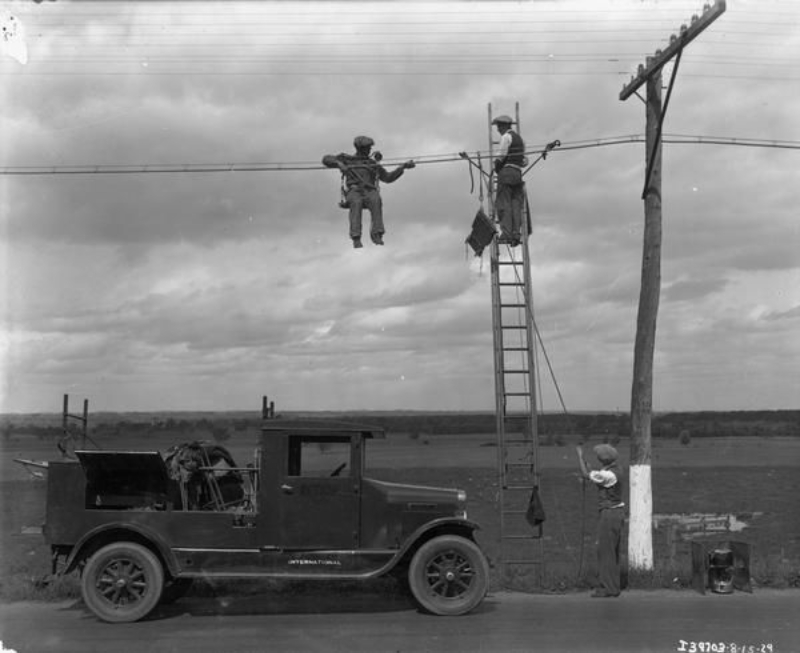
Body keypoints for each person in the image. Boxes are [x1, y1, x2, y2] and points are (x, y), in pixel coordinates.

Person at [323, 136, 415, 249]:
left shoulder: (372, 164)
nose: (369, 150)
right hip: (354, 190)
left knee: (376, 200)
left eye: (370, 148)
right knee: (356, 202)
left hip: (369, 190)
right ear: (360, 148)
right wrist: (339, 164)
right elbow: (326, 159)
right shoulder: (347, 159)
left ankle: (377, 234)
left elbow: (388, 178)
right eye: (367, 148)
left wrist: (402, 167)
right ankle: (356, 237)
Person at [576, 443, 626, 597]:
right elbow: (595, 474)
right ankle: (613, 585)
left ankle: (607, 588)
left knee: (604, 551)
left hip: (609, 514)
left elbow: (587, 475)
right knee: (612, 552)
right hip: (617, 512)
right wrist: (587, 465)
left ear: (603, 460)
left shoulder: (608, 475)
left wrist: (579, 457)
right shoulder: (615, 470)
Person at [492, 115, 529, 246]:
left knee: (504, 203)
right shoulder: (520, 140)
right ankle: (515, 234)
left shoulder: (506, 137)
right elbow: (525, 161)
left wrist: (496, 166)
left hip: (506, 173)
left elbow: (501, 155)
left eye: (498, 127)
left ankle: (506, 234)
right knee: (516, 205)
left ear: (503, 126)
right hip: (517, 174)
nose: (497, 130)